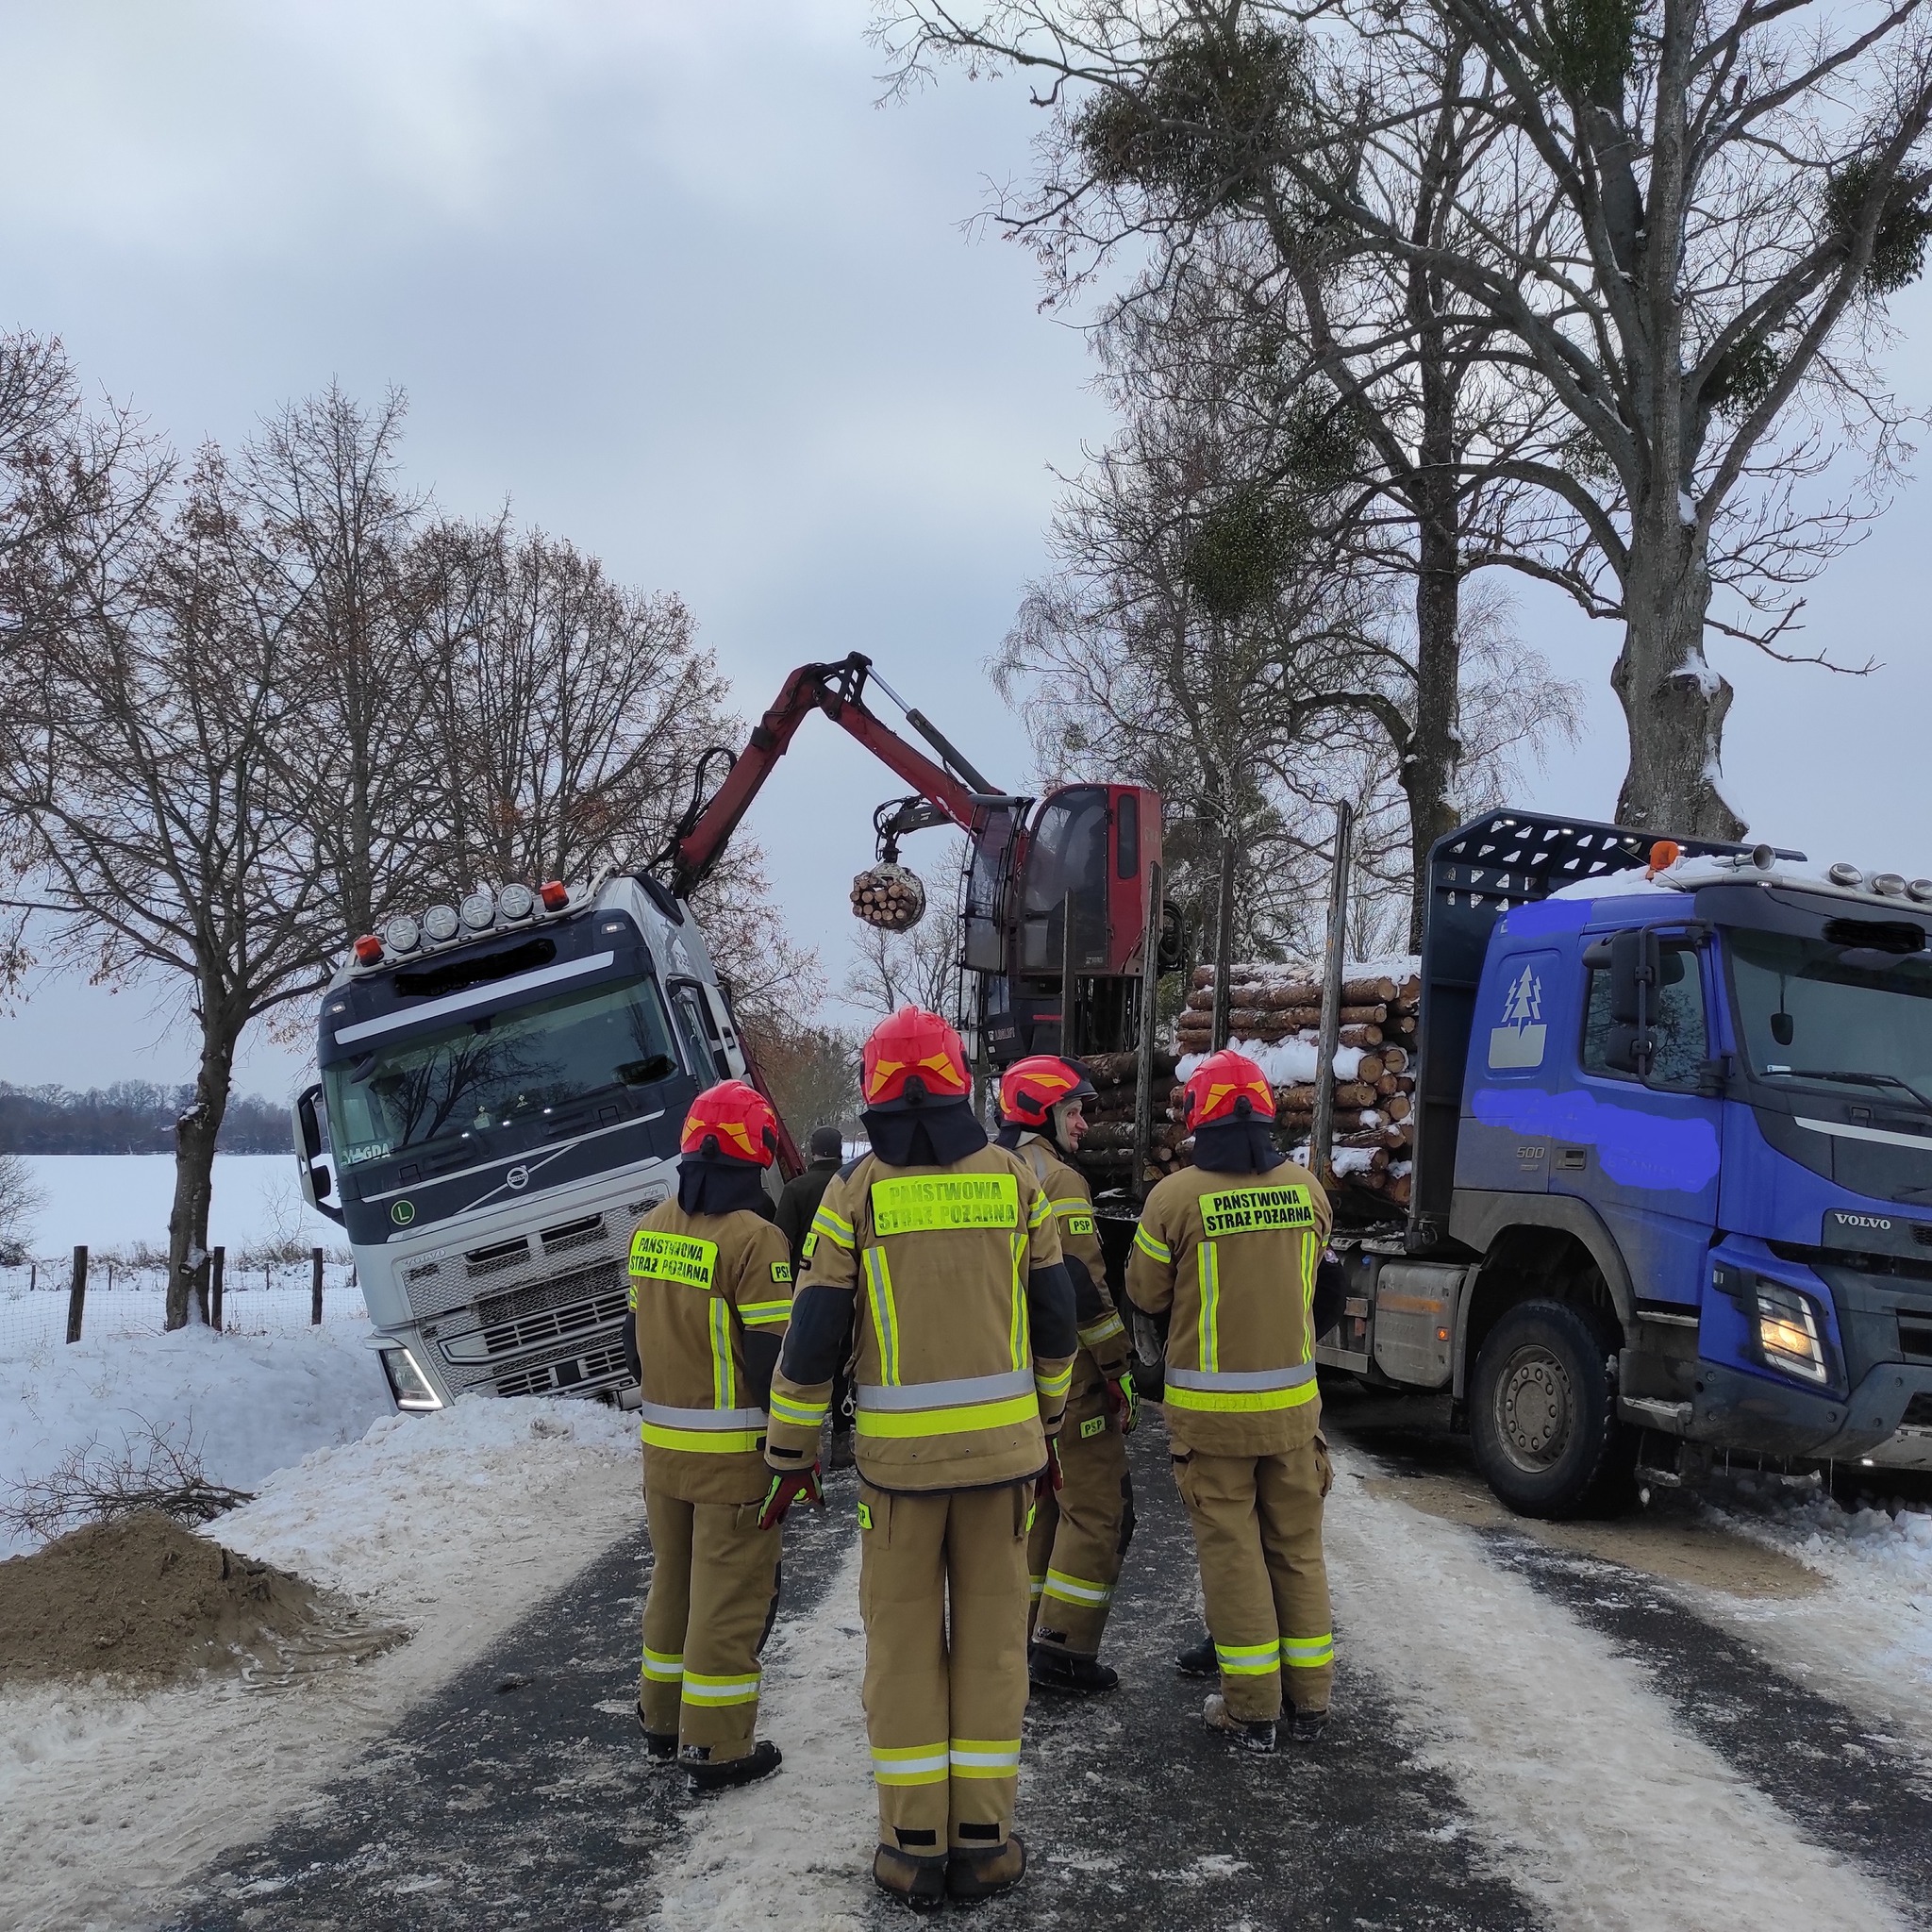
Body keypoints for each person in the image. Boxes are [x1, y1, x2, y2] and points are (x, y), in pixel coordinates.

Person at [759, 1007, 1078, 1907]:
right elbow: (1056, 1322)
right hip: (1003, 1469)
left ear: (873, 1087)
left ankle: (910, 1849)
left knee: (901, 1653)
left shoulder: (853, 1193)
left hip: (898, 1478)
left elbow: (812, 1338)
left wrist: (790, 1451)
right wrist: (1047, 1424)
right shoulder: (1016, 1182)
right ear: (958, 1081)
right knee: (993, 1651)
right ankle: (984, 1842)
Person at [1126, 1048, 1335, 1754]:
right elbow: (1323, 1287)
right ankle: (1311, 1700)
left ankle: (1251, 1711)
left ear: (1198, 1118)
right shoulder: (1307, 1190)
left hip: (1213, 1424)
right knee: (1298, 1550)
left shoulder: (1174, 1199)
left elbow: (1145, 1294)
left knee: (1235, 1555)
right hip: (1294, 1415)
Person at [628, 1078, 806, 1792]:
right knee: (728, 1599)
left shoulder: (651, 1228)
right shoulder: (755, 1239)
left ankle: (661, 1720)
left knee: (673, 1582)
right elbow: (772, 1360)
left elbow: (634, 1349)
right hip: (733, 1460)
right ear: (753, 1150)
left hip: (663, 1453)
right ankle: (716, 1745)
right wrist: (797, 1447)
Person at [993, 1055, 1139, 1695]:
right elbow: (1082, 1284)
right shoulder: (1059, 1179)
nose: (1082, 1125)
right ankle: (1065, 1651)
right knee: (1100, 1509)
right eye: (1073, 1112)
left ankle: (1027, 1635)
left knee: (1045, 1507)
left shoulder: (990, 1168)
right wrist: (1118, 1367)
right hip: (1071, 1374)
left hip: (1014, 1373)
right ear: (1041, 1113)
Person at [775, 1124, 853, 1468]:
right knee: (846, 1365)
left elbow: (780, 1241)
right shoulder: (852, 1185)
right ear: (840, 1150)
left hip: (807, 1293)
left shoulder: (796, 1190)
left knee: (807, 1367)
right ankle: (843, 1441)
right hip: (852, 1291)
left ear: (811, 1151)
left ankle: (806, 1446)